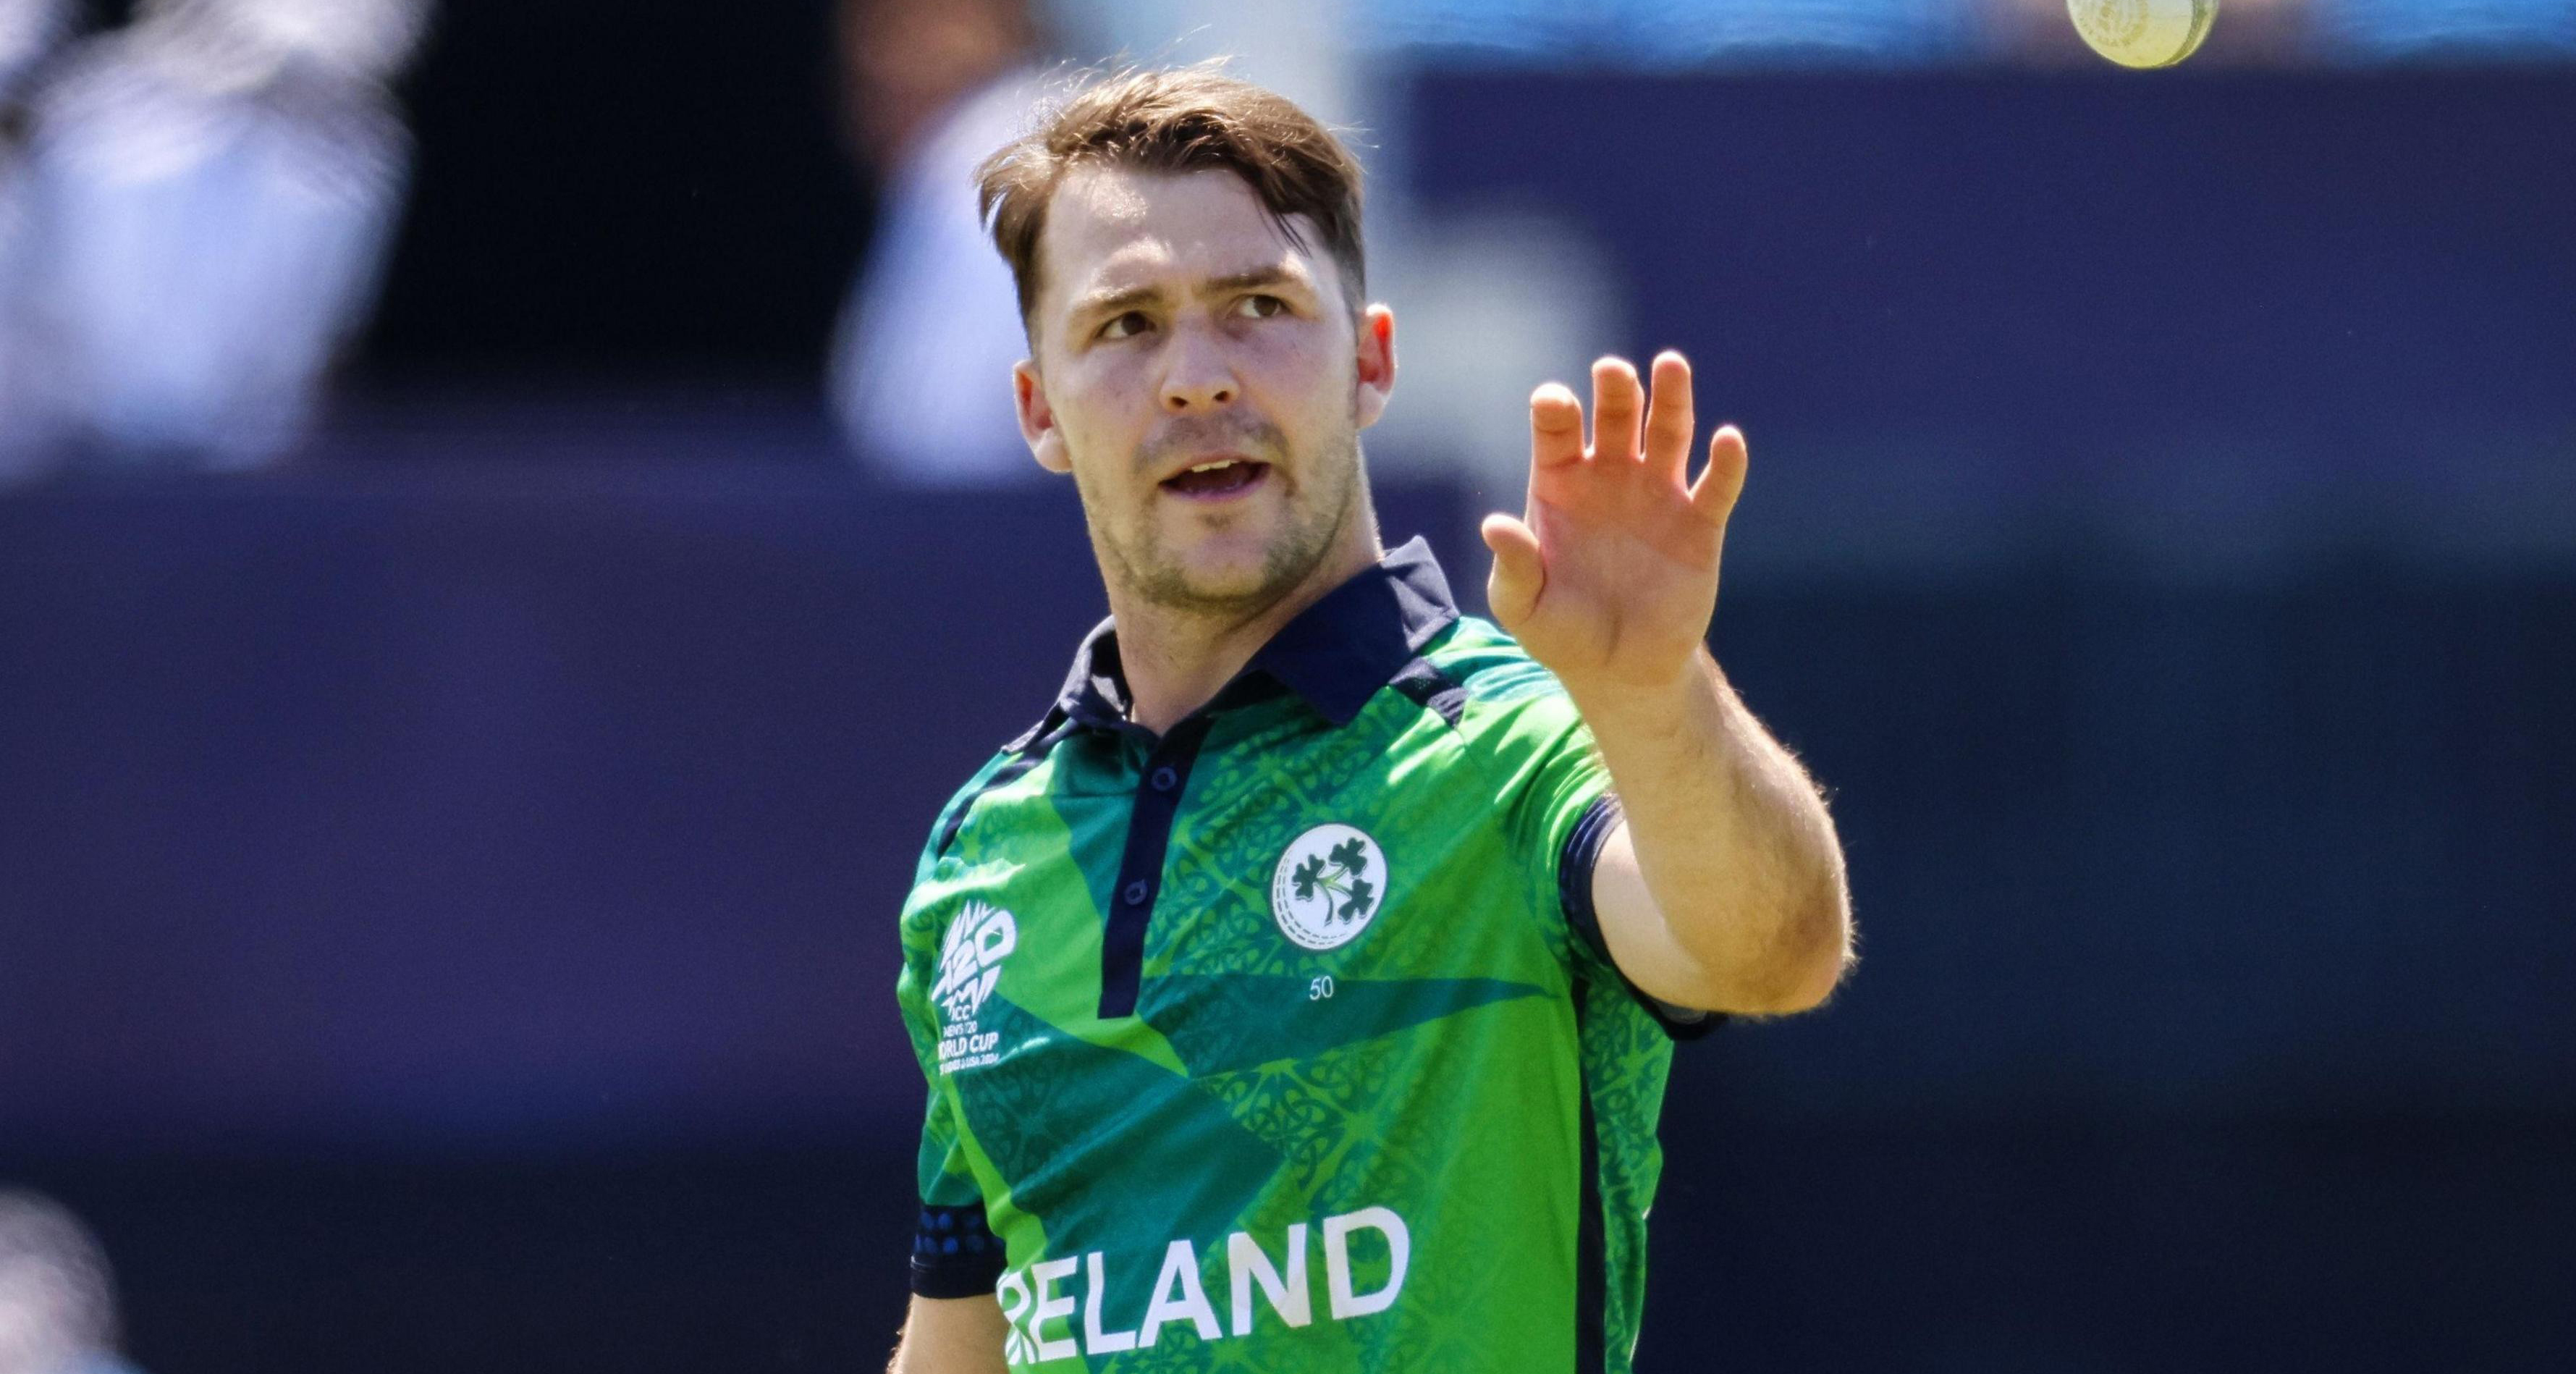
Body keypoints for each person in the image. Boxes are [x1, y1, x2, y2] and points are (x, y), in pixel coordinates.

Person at [887, 66, 1851, 1373]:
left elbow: (1777, 952)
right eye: (1126, 324)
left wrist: (1653, 693)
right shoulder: (983, 855)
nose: (1196, 378)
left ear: (1371, 361)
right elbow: (964, 1345)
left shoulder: (1514, 743)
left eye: (1260, 307)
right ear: (1038, 409)